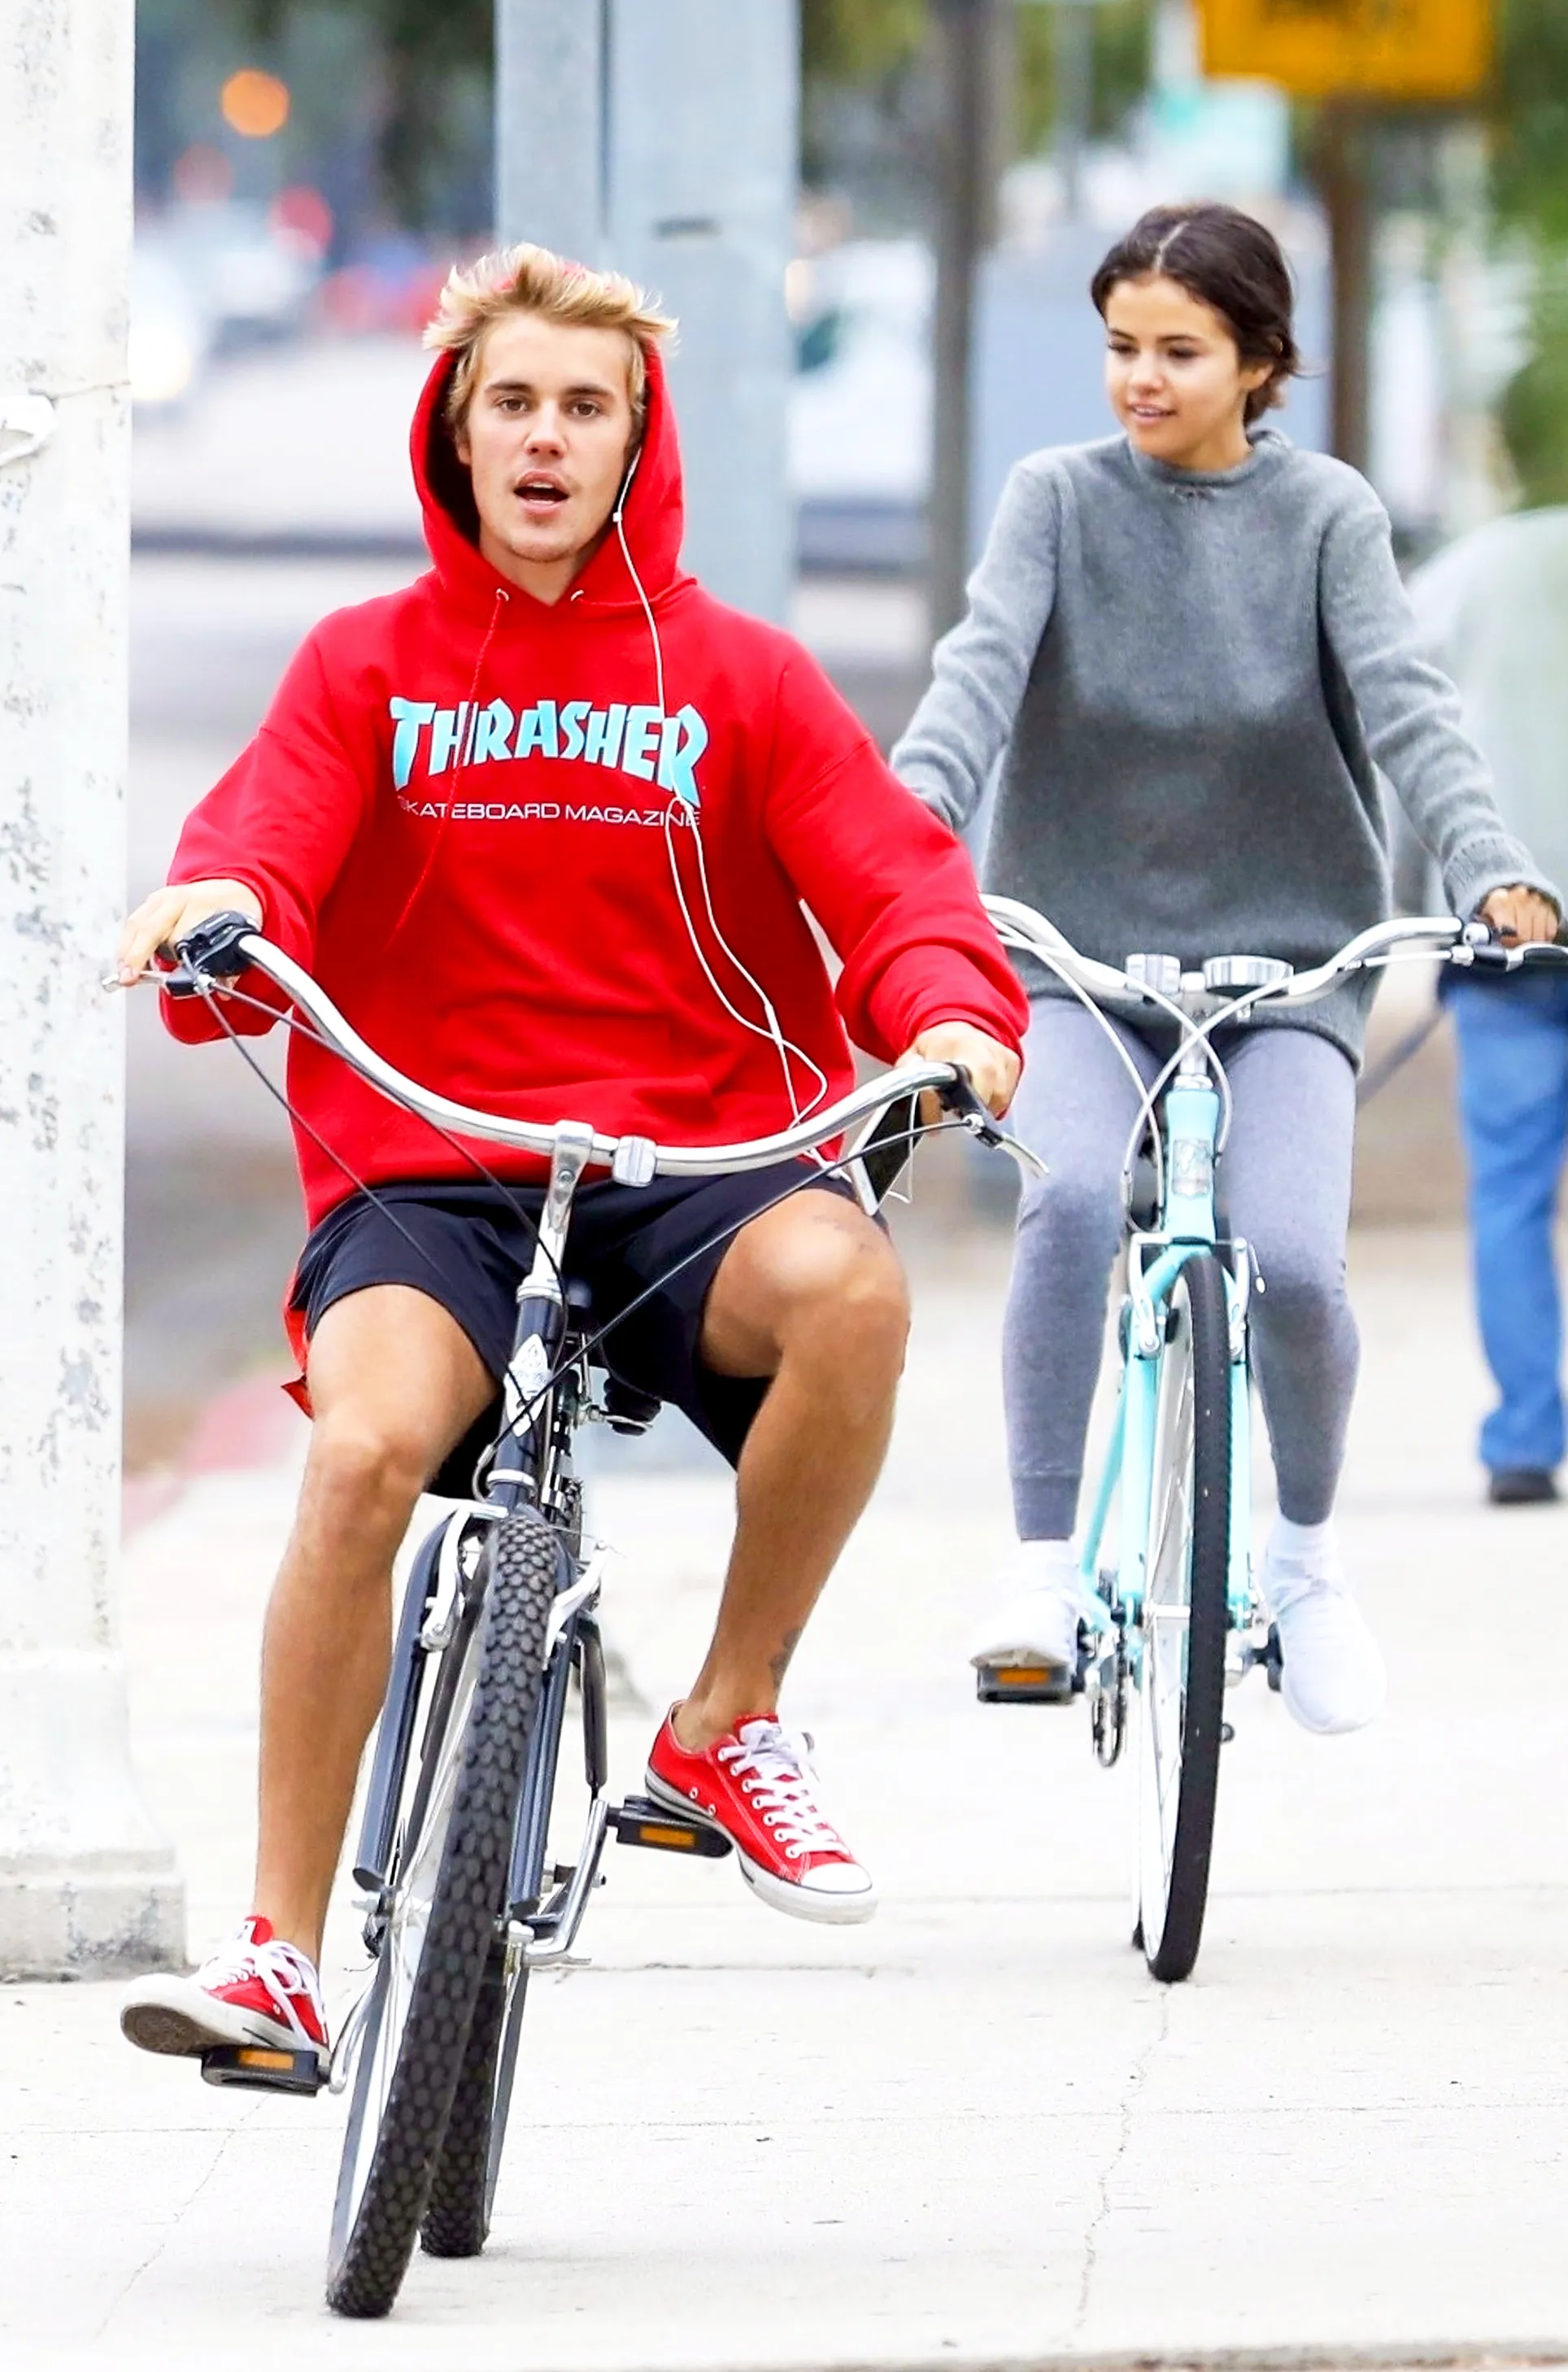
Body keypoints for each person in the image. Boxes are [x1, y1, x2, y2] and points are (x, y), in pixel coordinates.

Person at [116, 246, 1026, 2075]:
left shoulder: (741, 676)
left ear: (636, 440)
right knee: (361, 1458)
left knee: (851, 1291)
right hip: (431, 1168)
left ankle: (726, 1718)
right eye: (513, 403)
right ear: (455, 435)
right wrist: (218, 910)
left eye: (584, 407)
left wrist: (948, 1016)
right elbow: (265, 845)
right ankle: (282, 1954)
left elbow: (893, 887)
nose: (545, 438)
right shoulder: (363, 664)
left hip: (696, 1162)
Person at [891, 200, 1561, 1737]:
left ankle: (1307, 1563)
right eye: (1121, 346)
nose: (1141, 377)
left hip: (1286, 967)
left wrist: (1487, 865)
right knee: (1067, 1196)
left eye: (1179, 352)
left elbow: (1409, 705)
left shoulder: (1326, 516)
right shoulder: (1056, 501)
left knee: (1298, 1262)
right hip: (1077, 954)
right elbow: (973, 682)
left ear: (1260, 361)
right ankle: (1041, 1573)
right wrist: (899, 835)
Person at [1405, 311, 1568, 1505]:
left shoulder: (1457, 580)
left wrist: (1409, 905)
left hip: (1501, 945)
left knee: (1510, 1191)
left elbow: (1400, 751)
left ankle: (1523, 1440)